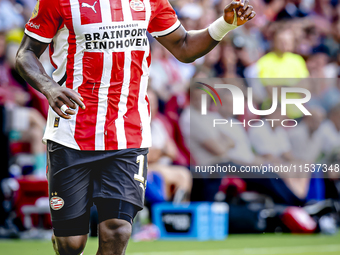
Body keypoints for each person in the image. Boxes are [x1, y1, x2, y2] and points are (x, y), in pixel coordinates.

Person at [15, 0, 256, 254]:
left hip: (127, 133)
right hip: (71, 132)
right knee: (71, 244)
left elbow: (184, 47)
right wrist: (49, 87)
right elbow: (25, 53)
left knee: (118, 228)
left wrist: (224, 24)